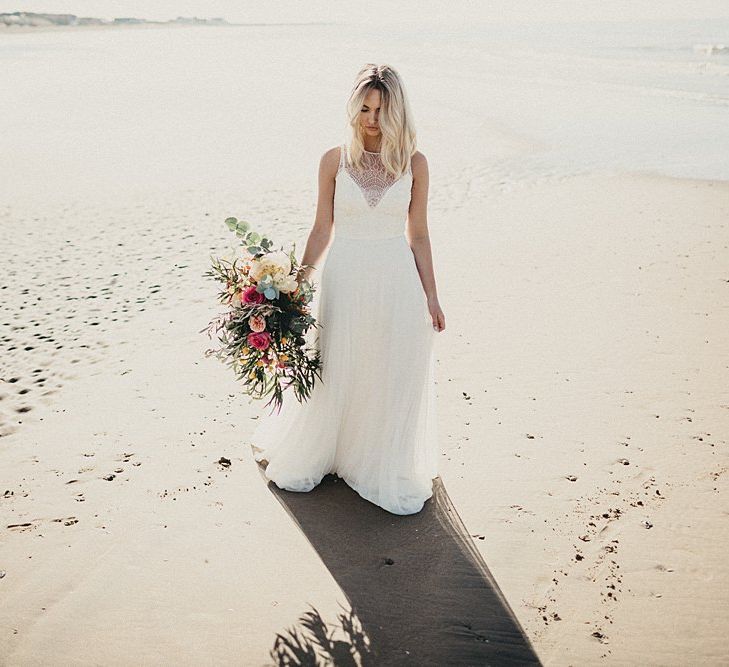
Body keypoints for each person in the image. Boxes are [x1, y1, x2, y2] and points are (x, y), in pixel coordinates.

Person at [250, 63, 446, 515]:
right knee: (339, 362)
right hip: (346, 274)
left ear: (396, 111)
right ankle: (333, 452)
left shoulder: (415, 163)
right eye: (365, 108)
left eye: (381, 110)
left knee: (387, 368)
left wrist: (432, 296)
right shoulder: (333, 160)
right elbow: (322, 227)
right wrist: (296, 283)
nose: (372, 119)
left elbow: (418, 234)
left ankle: (374, 457)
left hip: (396, 278)